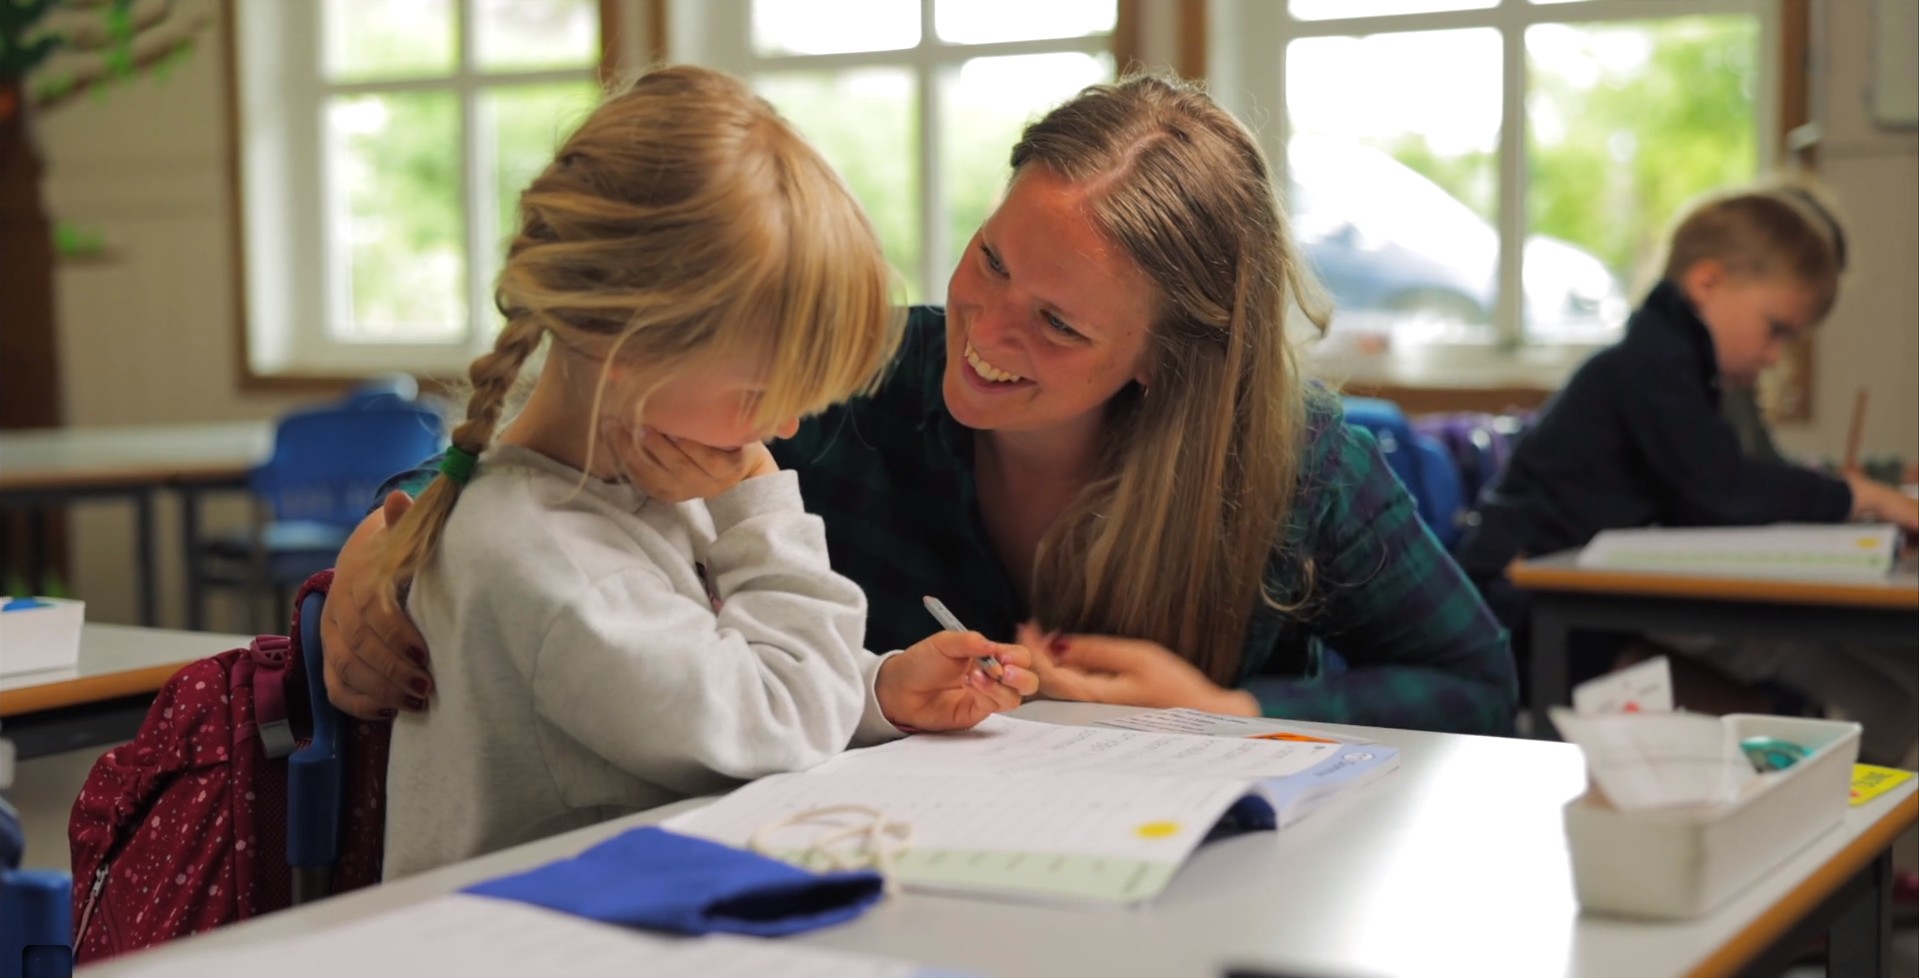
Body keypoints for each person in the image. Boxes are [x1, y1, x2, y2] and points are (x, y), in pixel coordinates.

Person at [325, 72, 1518, 737]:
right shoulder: (862, 376)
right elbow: (569, 440)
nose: (986, 334)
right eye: (990, 260)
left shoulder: (1291, 469)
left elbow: (1475, 683)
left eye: (1058, 324)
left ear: (1167, 359)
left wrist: (1231, 705)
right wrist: (391, 535)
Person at [369, 66, 1036, 878]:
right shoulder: (551, 563)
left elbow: (702, 677)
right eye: (762, 394)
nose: (786, 428)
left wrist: (879, 688)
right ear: (626, 348)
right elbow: (771, 729)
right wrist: (756, 503)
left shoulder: (623, 489)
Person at [1458, 184, 1919, 761]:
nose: (1776, 355)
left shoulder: (1679, 371)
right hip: (1533, 627)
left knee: (1860, 700)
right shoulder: (1648, 369)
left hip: (1599, 618)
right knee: (1788, 722)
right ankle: (1821, 839)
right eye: (1776, 328)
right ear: (1707, 284)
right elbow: (1722, 493)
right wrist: (1862, 496)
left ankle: (1834, 838)